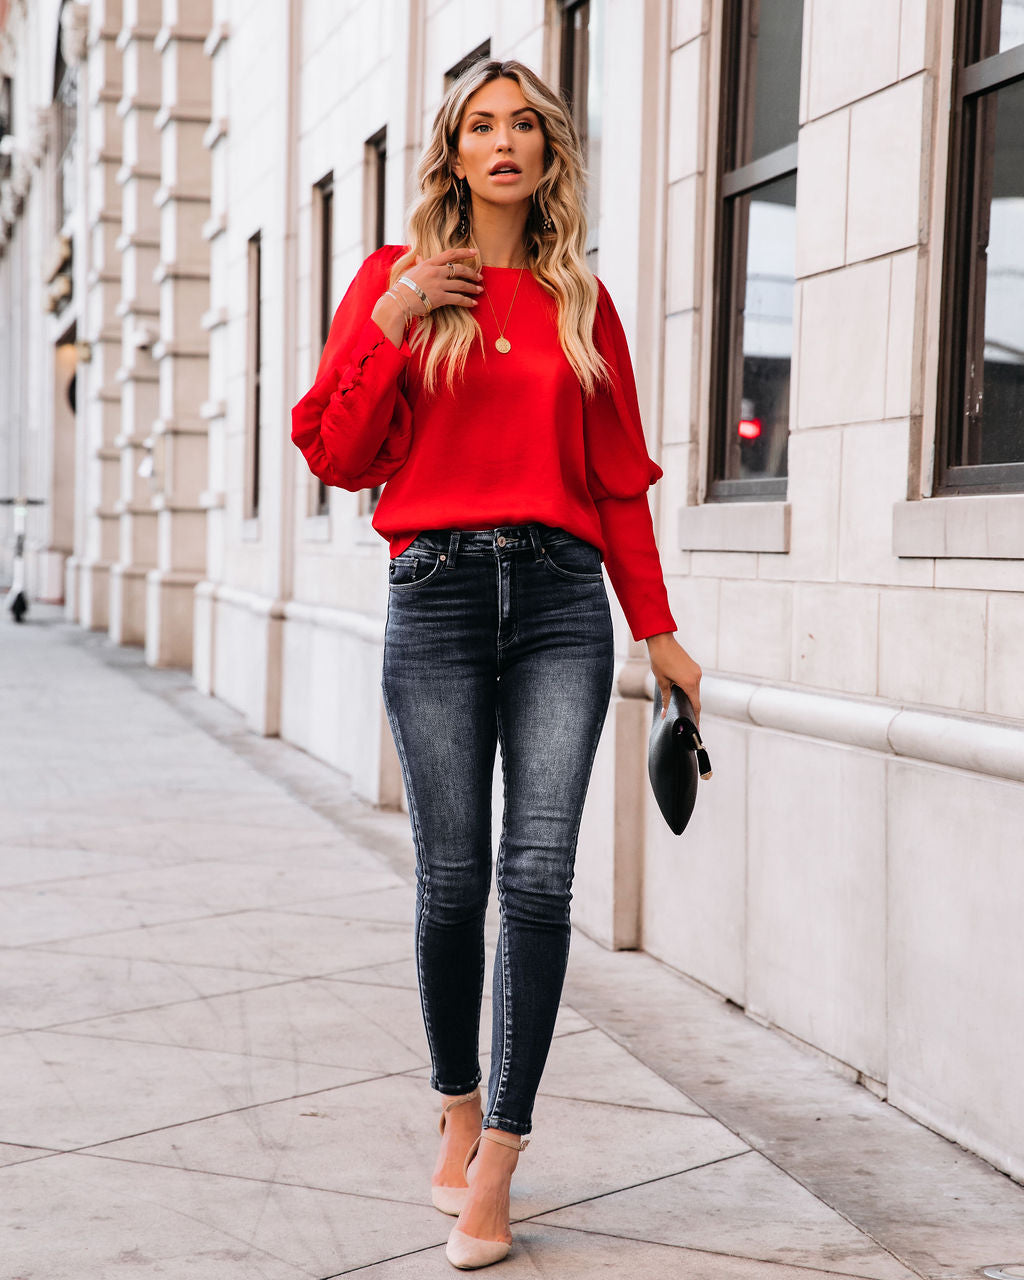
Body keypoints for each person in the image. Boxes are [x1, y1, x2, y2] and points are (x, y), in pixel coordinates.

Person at [291, 57, 702, 1272]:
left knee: (537, 876)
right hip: (436, 592)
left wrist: (659, 627)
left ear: (549, 155)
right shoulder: (392, 280)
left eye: (525, 124)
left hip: (564, 601)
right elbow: (333, 447)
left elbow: (619, 486)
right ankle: (456, 1103)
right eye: (482, 125)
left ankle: (502, 1159)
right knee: (451, 876)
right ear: (453, 153)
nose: (505, 141)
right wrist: (396, 317)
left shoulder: (583, 299)